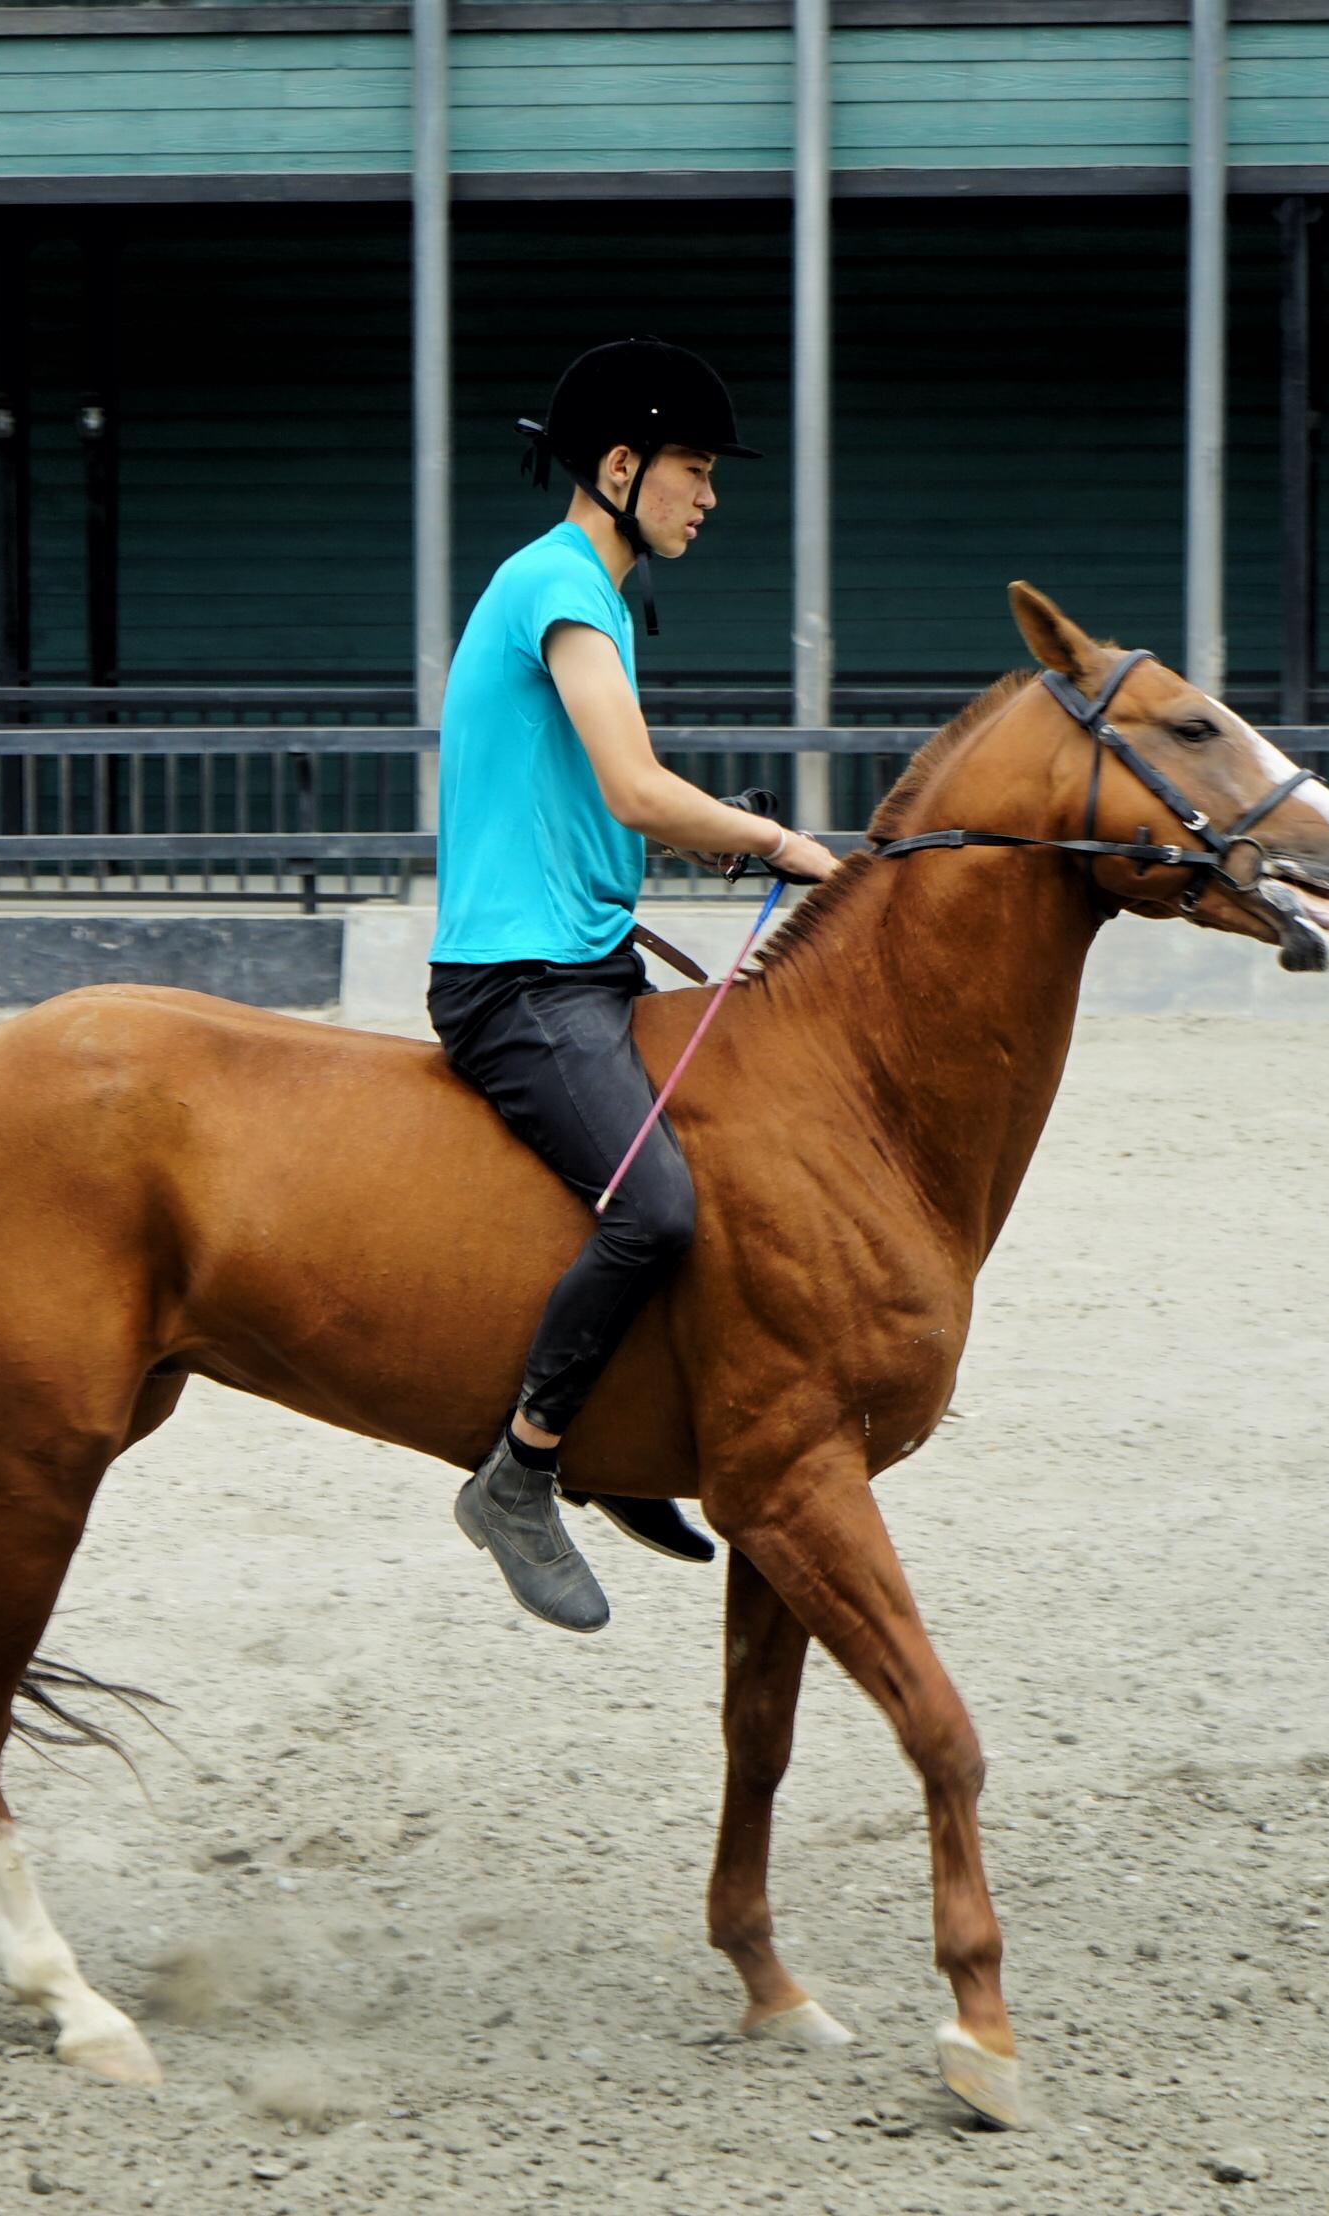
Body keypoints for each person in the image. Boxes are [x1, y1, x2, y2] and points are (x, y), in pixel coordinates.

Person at [434, 338, 843, 1634]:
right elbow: (633, 785)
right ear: (620, 469)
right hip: (516, 989)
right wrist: (781, 846)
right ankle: (525, 1472)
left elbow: (602, 808)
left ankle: (617, 1458)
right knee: (657, 1211)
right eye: (693, 470)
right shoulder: (557, 581)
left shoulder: (590, 591)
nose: (708, 496)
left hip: (585, 967)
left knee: (729, 1179)